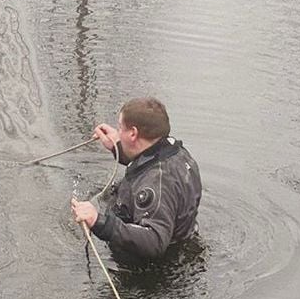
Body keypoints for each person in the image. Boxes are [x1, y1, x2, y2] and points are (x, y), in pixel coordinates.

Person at [70, 97, 202, 262]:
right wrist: (118, 147)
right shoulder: (177, 153)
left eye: (120, 128)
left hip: (154, 268)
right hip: (183, 240)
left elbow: (154, 240)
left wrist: (99, 222)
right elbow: (147, 159)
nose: (118, 133)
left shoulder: (156, 183)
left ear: (133, 133)